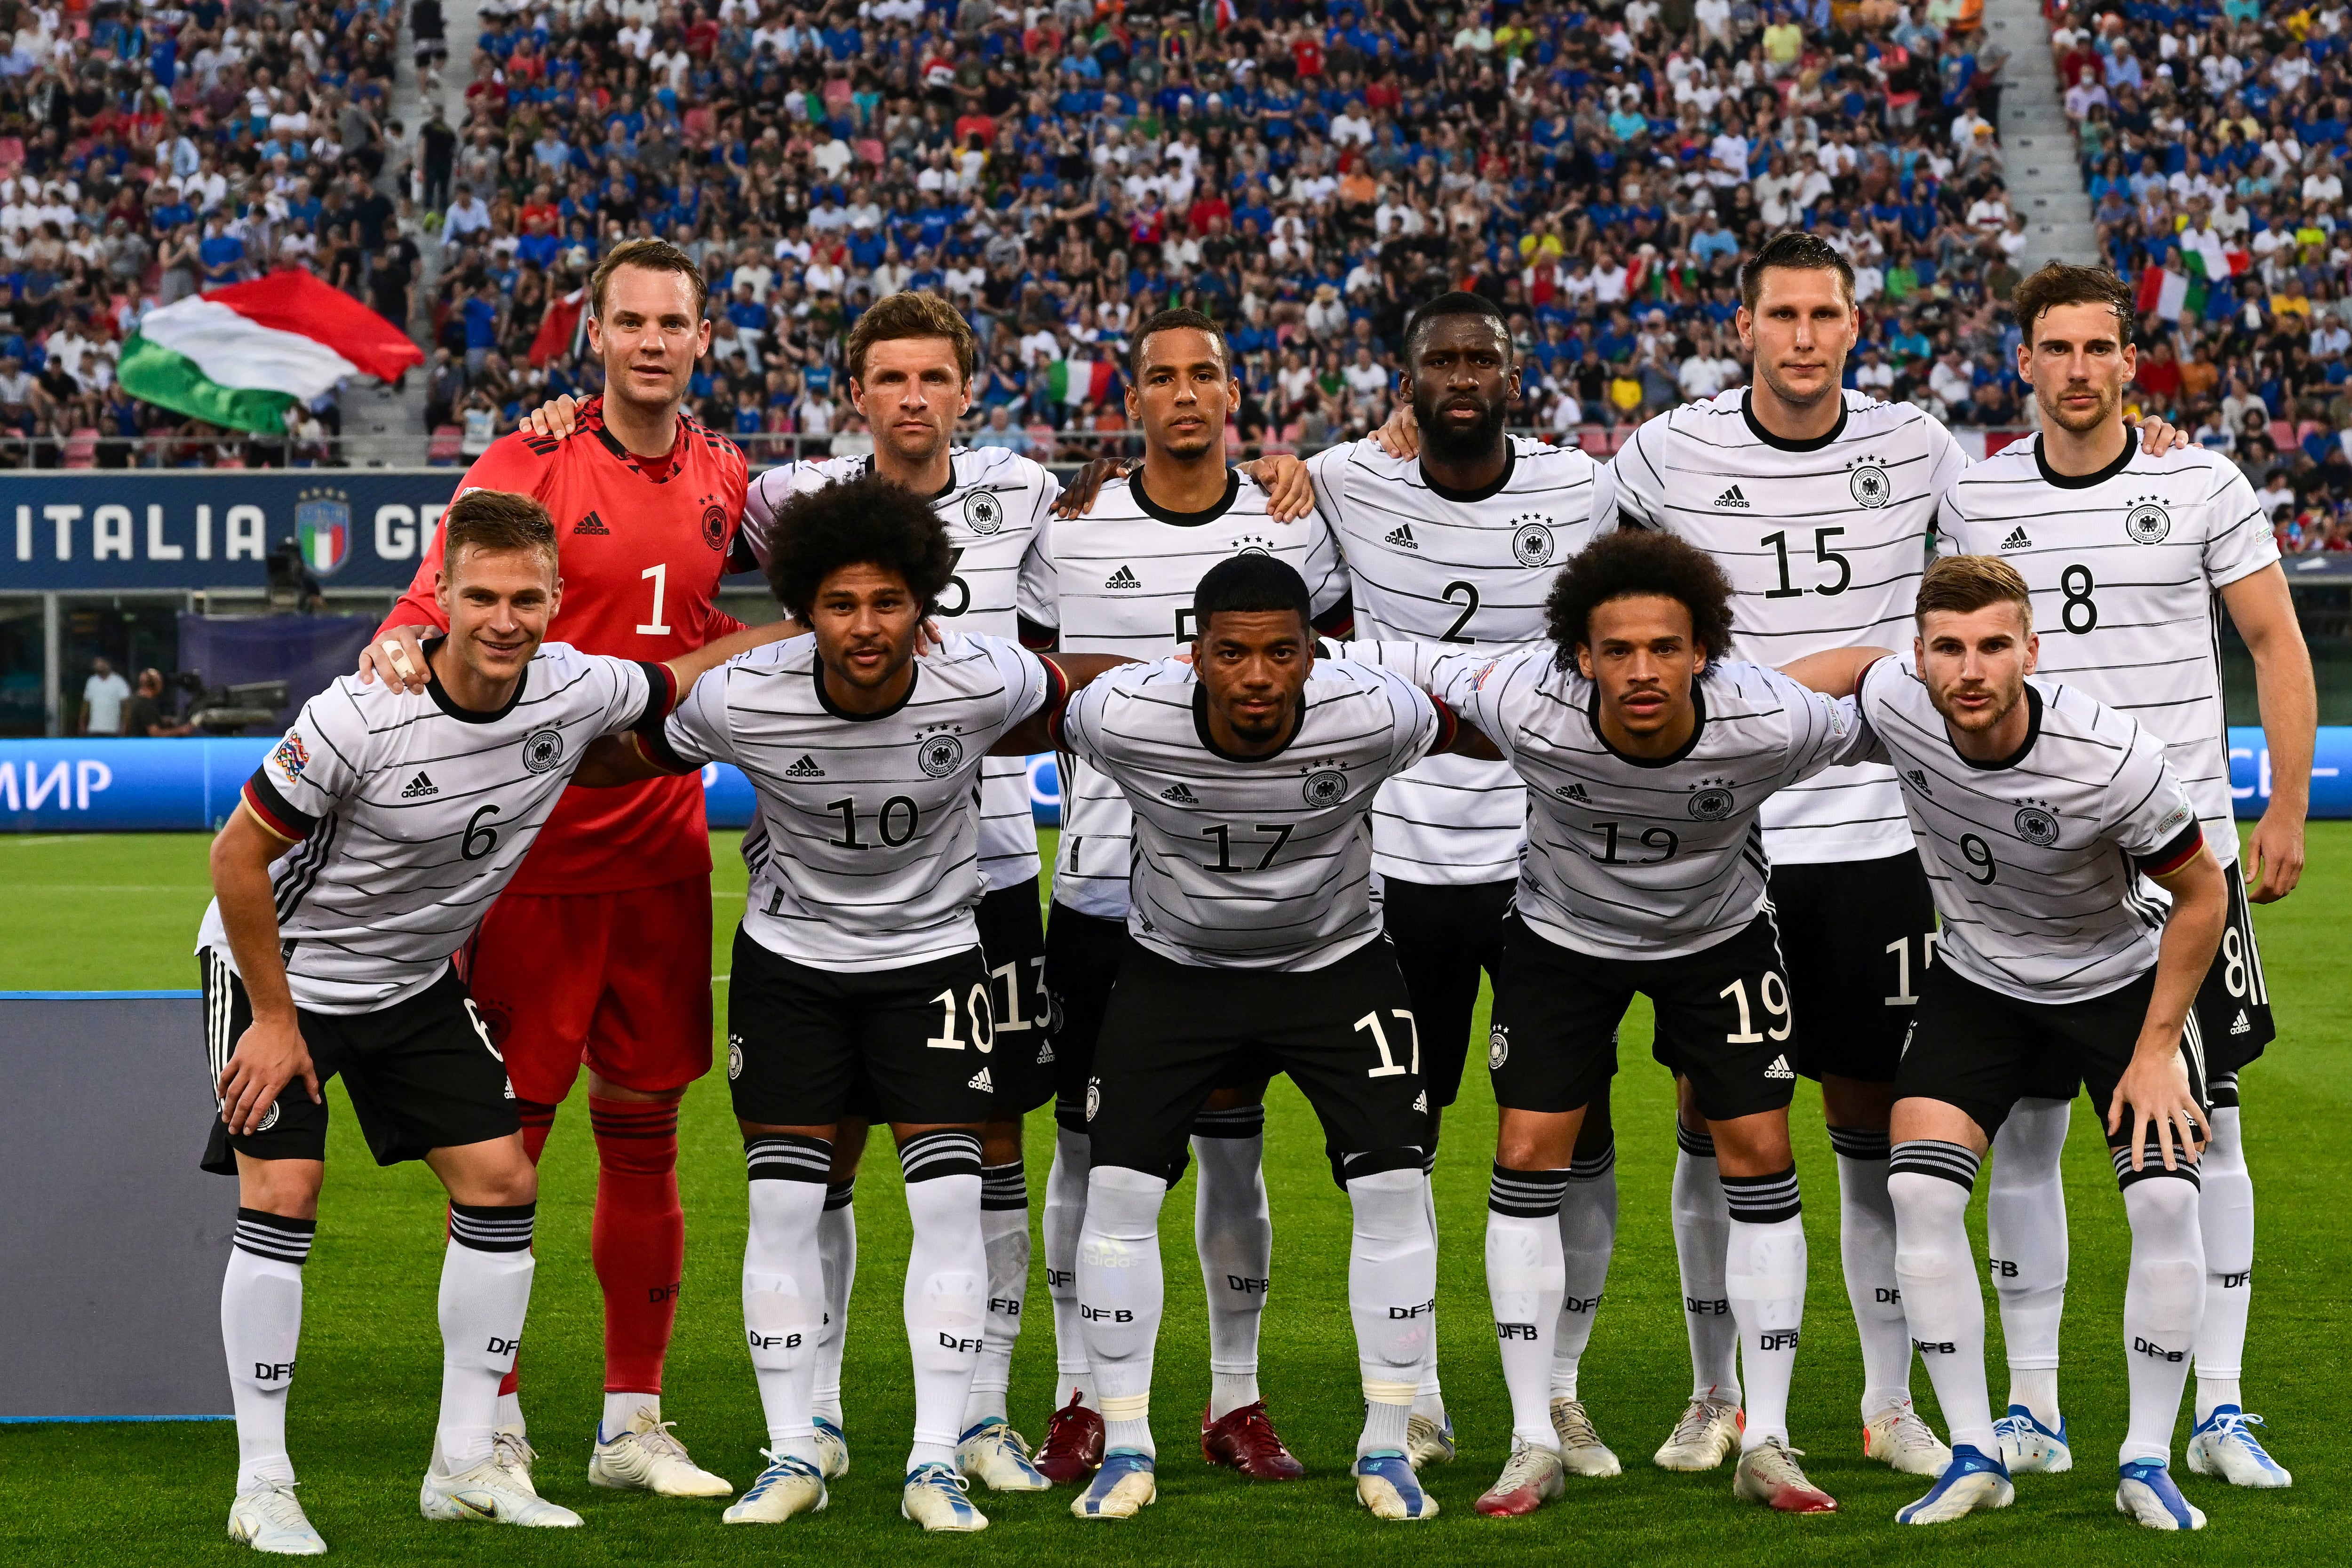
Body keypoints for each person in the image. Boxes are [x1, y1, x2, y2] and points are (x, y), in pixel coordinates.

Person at [202, 490, 788, 1555]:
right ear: (447, 597)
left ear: (559, 600)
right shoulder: (361, 711)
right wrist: (275, 1021)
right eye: (481, 596)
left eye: (528, 597)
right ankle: (264, 1481)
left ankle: (466, 1461)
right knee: (285, 1189)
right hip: (282, 973)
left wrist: (816, 623)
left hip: (411, 979)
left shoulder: (572, 688)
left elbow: (687, 673)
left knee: (501, 1181)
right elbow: (237, 856)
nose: (506, 619)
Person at [575, 473, 1132, 1532]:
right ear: (803, 606)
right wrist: (512, 731)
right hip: (791, 970)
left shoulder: (979, 679)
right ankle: (793, 1450)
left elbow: (1085, 687)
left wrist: (1191, 674)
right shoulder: (746, 693)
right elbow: (620, 753)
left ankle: (934, 1460)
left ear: (923, 598)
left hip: (932, 964)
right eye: (841, 605)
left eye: (888, 602)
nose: (866, 626)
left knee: (944, 1207)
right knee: (784, 1208)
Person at [1360, 528, 1887, 1517]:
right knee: (1526, 1150)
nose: (1641, 670)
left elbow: (1885, 693)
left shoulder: (1769, 718)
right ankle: (1531, 1436)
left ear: (1703, 652)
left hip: (1717, 940)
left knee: (1760, 1151)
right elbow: (1385, 652)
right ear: (1579, 656)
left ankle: (1764, 1435)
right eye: (1617, 650)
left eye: (1663, 648)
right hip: (1562, 941)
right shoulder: (1521, 694)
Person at [358, 238, 751, 1496]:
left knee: (646, 1135)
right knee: (506, 1146)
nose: (649, 340)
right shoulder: (532, 455)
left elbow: (733, 613)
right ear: (597, 337)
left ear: (703, 336)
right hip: (521, 861)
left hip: (661, 858)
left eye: (670, 321)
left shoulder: (727, 472)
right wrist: (393, 652)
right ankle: (495, 1421)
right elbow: (431, 599)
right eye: (627, 320)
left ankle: (632, 1422)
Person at [1934, 263, 2313, 1490]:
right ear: (2026, 361)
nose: (2081, 369)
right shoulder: (1977, 491)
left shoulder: (2200, 480)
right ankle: (2033, 1406)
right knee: (2033, 1133)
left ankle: (2223, 1402)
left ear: (2129, 358)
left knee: (2210, 1136)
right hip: (2030, 874)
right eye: (2058, 348)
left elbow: (2275, 642)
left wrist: (2286, 807)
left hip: (2181, 859)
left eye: (2102, 347)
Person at [1060, 553, 1485, 1524]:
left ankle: (1388, 1442)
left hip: (1335, 966)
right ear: (1193, 656)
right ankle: (1126, 1442)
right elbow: (1035, 698)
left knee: (1393, 1186)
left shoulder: (1378, 710)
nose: (1257, 675)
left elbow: (1490, 728)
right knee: (1118, 1189)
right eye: (1233, 653)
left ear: (1313, 654)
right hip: (1175, 971)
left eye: (1281, 652)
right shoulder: (1123, 712)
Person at [1017, 308, 1352, 1487]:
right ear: (1133, 401)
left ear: (1233, 392)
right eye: (1160, 377)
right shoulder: (1070, 531)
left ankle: (1234, 1395)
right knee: (1083, 1158)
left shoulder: (1296, 529)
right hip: (1104, 895)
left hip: (1252, 901)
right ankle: (1076, 1396)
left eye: (1204, 374)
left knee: (1229, 1155)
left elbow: (1346, 692)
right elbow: (1020, 685)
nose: (1185, 395)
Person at [1828, 554, 2227, 1530]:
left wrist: (2155, 1048)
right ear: (1919, 657)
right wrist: (1728, 702)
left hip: (2117, 984)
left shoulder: (2108, 758)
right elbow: (1844, 667)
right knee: (1916, 1186)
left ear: (2030, 651)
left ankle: (2144, 1458)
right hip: (1978, 980)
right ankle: (1974, 1451)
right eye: (1949, 647)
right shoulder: (1898, 698)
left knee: (2169, 1197)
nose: (1970, 669)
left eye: (1993, 645)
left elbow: (2202, 894)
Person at [1305, 291, 1610, 1476]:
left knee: (1575, 1138)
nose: (1464, 373)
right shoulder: (1341, 480)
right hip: (1398, 866)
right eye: (1443, 359)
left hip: (1548, 864)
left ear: (1514, 372)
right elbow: (1257, 488)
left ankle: (1566, 1392)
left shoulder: (1585, 487)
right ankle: (1418, 1392)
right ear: (1408, 381)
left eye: (1483, 354)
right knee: (1400, 1142)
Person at [124, 668, 193, 737]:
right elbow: (155, 733)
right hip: (145, 746)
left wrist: (163, 720)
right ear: (155, 684)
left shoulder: (134, 699)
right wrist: (181, 730)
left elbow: (143, 721)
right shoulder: (145, 704)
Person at [80, 657, 128, 736]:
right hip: (94, 729)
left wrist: (124, 726)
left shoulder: (119, 682)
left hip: (113, 730)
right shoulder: (92, 681)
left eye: (101, 663)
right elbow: (86, 704)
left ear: (108, 664)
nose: (99, 665)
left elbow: (126, 706)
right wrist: (82, 723)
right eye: (97, 664)